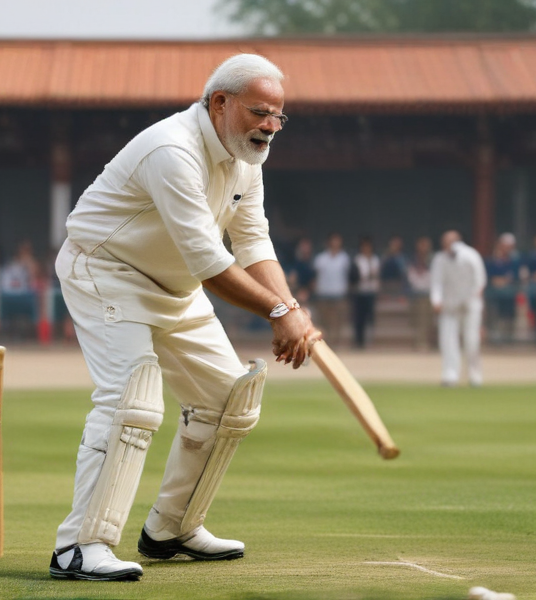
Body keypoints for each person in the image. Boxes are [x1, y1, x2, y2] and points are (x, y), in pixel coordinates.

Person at [51, 54, 320, 582]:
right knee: (132, 399)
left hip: (176, 285)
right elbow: (209, 260)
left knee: (229, 399)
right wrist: (281, 311)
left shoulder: (247, 157)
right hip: (108, 271)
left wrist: (290, 306)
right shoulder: (171, 150)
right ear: (220, 103)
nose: (270, 126)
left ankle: (171, 528)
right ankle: (79, 548)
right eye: (260, 112)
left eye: (278, 117)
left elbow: (251, 239)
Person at [430, 230, 486, 387]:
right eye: (445, 241)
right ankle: (450, 375)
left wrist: (474, 296)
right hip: (450, 305)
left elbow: (480, 280)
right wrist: (436, 300)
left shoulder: (471, 255)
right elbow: (436, 282)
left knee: (472, 341)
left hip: (470, 304)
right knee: (447, 341)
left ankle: (475, 375)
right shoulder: (440, 259)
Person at [312, 232, 350, 348]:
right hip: (323, 294)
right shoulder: (320, 259)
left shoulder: (344, 258)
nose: (335, 243)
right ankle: (325, 344)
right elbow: (315, 276)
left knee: (338, 322)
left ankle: (336, 344)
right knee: (324, 322)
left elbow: (347, 275)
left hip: (339, 294)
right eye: (333, 240)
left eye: (337, 241)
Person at [484, 233, 520, 345]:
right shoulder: (490, 260)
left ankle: (508, 340)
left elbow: (515, 276)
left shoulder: (514, 261)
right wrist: (496, 280)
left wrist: (504, 280)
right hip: (493, 296)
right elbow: (487, 276)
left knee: (509, 319)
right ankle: (493, 341)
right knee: (493, 319)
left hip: (509, 296)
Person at [351, 237, 381, 348]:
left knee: (371, 318)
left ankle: (370, 342)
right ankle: (359, 342)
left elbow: (377, 275)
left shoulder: (375, 259)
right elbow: (355, 276)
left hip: (371, 292)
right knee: (360, 318)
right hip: (360, 292)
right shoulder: (358, 260)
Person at [406, 236, 434, 351]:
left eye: (426, 245)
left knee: (428, 320)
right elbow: (411, 276)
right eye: (421, 245)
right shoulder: (413, 260)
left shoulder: (433, 260)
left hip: (429, 294)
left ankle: (428, 342)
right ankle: (419, 342)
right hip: (416, 294)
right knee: (418, 320)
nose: (423, 248)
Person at [285, 237, 316, 308]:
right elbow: (291, 280)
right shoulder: (293, 263)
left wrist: (307, 291)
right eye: (303, 246)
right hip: (295, 296)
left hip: (311, 298)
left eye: (307, 246)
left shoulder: (314, 262)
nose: (305, 249)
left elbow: (314, 284)